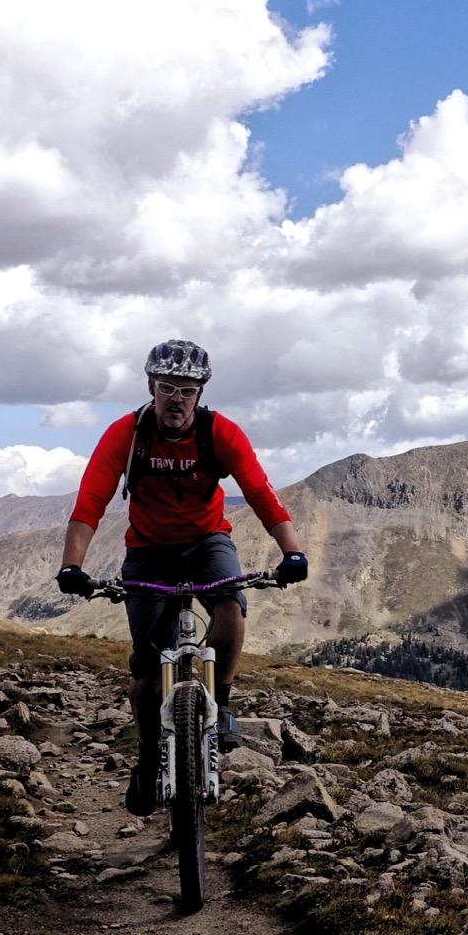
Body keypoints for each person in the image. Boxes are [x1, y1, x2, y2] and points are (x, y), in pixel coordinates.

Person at [55, 339, 308, 816]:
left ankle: (223, 704)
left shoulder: (220, 433)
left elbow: (260, 492)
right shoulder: (126, 435)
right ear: (151, 387)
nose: (177, 398)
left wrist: (292, 552)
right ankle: (149, 758)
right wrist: (73, 566)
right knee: (148, 676)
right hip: (148, 552)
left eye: (187, 390)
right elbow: (90, 500)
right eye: (167, 387)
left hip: (208, 541)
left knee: (231, 607)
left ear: (200, 393)